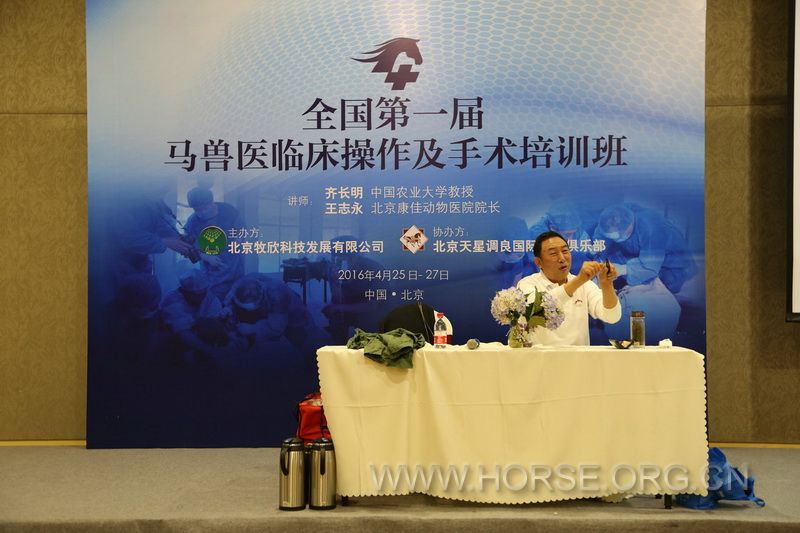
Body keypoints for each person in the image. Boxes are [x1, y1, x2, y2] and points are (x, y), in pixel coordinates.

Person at [517, 231, 621, 345]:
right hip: (541, 355)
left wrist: (607, 285)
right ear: (538, 262)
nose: (562, 258)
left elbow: (612, 316)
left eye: (565, 251)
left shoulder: (586, 285)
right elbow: (539, 308)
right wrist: (579, 280)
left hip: (578, 356)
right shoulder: (527, 284)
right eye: (553, 253)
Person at [184, 187, 245, 300]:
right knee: (215, 301)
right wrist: (205, 257)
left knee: (238, 298)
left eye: (205, 208)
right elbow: (188, 248)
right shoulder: (192, 223)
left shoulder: (229, 212)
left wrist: (238, 242)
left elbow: (241, 231)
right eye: (197, 210)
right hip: (212, 274)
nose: (201, 213)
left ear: (212, 203)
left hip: (236, 269)